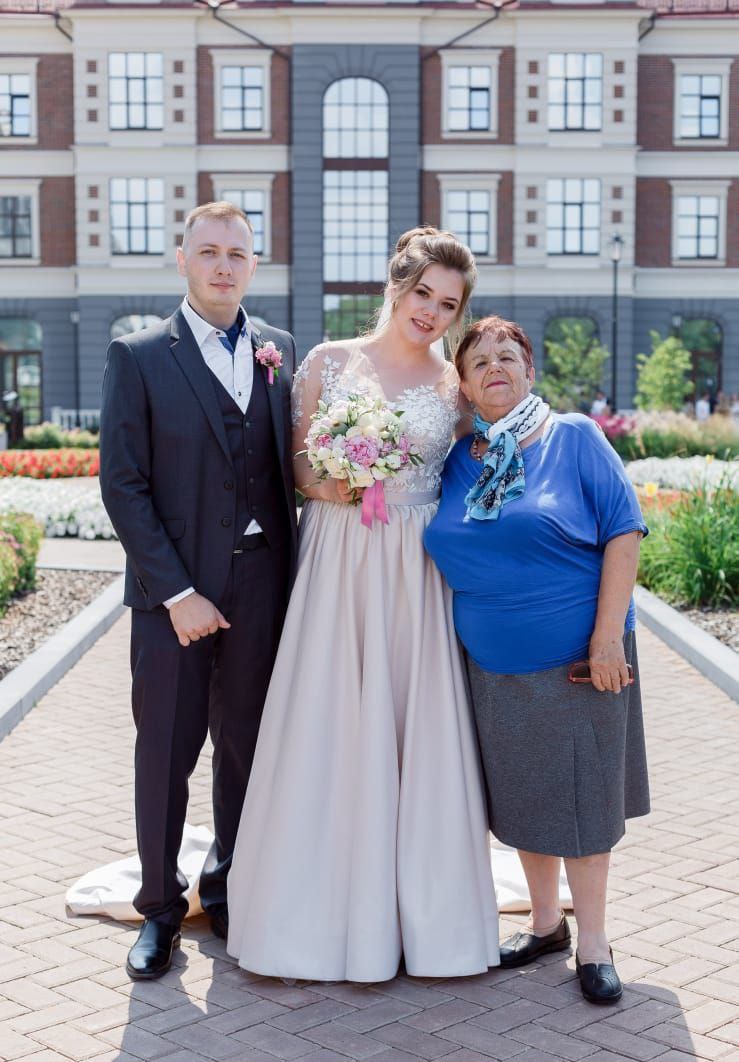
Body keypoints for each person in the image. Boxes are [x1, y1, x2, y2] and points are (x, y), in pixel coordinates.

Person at [226, 228, 500, 982]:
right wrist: (346, 477)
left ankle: (423, 920)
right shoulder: (326, 362)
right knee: (330, 714)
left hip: (415, 566)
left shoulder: (454, 386)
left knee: (416, 720)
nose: (431, 312)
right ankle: (313, 914)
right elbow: (295, 468)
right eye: (423, 294)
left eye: (448, 305)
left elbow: (477, 468)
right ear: (396, 286)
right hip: (339, 555)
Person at [425, 316, 650, 1005]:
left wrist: (606, 638)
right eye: (478, 361)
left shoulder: (572, 436)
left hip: (579, 660)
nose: (494, 366)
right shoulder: (456, 461)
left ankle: (594, 943)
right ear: (463, 387)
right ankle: (547, 924)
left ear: (530, 371)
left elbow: (624, 531)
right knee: (523, 798)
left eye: (508, 355)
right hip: (492, 668)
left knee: (582, 805)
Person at [99, 201, 298, 981]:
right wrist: (177, 591)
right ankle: (158, 908)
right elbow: (123, 484)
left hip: (262, 584)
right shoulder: (139, 355)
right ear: (182, 260)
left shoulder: (280, 350)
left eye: (236, 253)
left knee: (246, 749)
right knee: (165, 752)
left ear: (253, 265)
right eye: (208, 251)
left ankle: (229, 890)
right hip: (172, 595)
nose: (223, 265)